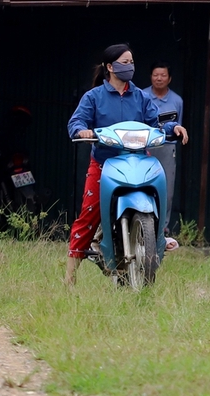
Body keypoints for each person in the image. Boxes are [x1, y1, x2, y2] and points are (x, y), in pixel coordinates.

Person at [65, 43, 167, 286]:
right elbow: (76, 121)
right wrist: (81, 130)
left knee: (158, 200)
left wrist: (174, 128)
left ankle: (161, 238)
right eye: (124, 62)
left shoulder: (141, 96)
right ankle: (69, 277)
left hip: (139, 161)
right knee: (88, 216)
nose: (129, 66)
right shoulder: (93, 97)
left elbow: (156, 123)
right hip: (104, 164)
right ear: (110, 67)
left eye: (131, 62)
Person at [147, 63, 189, 233]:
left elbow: (177, 125)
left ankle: (162, 228)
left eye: (163, 75)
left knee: (166, 188)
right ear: (151, 76)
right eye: (156, 75)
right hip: (146, 146)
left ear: (169, 79)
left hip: (167, 146)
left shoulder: (177, 100)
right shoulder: (141, 96)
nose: (159, 78)